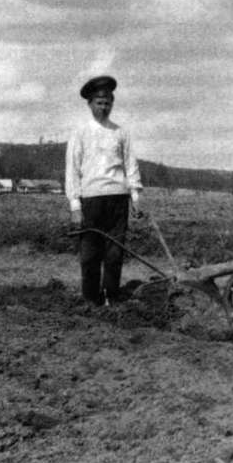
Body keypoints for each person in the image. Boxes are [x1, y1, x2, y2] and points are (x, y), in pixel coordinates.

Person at [65, 75, 142, 306]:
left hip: (118, 199)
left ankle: (112, 297)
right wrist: (75, 206)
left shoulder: (121, 132)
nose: (104, 107)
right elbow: (72, 169)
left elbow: (130, 165)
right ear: (90, 104)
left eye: (108, 102)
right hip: (91, 200)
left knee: (114, 254)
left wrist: (136, 196)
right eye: (99, 102)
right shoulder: (80, 132)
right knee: (89, 254)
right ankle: (90, 300)